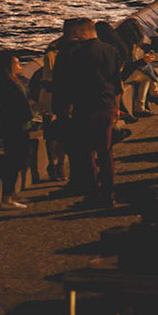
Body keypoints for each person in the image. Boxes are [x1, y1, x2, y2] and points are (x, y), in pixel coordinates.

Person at [53, 18, 123, 206]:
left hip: (85, 108)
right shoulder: (111, 51)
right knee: (106, 152)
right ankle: (109, 194)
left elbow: (67, 84)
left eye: (76, 33)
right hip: (107, 107)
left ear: (83, 33)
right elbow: (117, 83)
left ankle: (92, 193)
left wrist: (64, 109)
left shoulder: (75, 53)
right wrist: (116, 107)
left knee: (87, 153)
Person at [0, 54, 35, 209]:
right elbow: (19, 106)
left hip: (16, 127)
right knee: (15, 161)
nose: (19, 66)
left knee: (18, 160)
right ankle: (7, 198)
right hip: (16, 128)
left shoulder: (9, 83)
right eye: (16, 63)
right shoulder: (9, 85)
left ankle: (10, 194)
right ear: (9, 67)